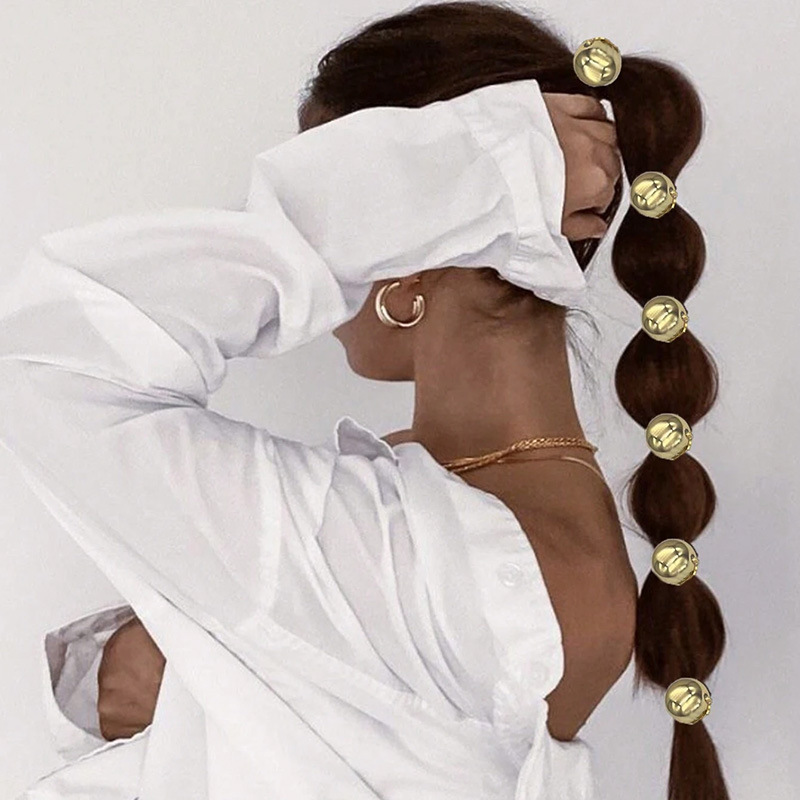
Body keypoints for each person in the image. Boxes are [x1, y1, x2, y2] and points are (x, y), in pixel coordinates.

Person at [2, 3, 725, 799]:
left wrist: (470, 170)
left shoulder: (412, 551)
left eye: (349, 195)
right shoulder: (487, 537)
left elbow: (53, 354)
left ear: (409, 248)